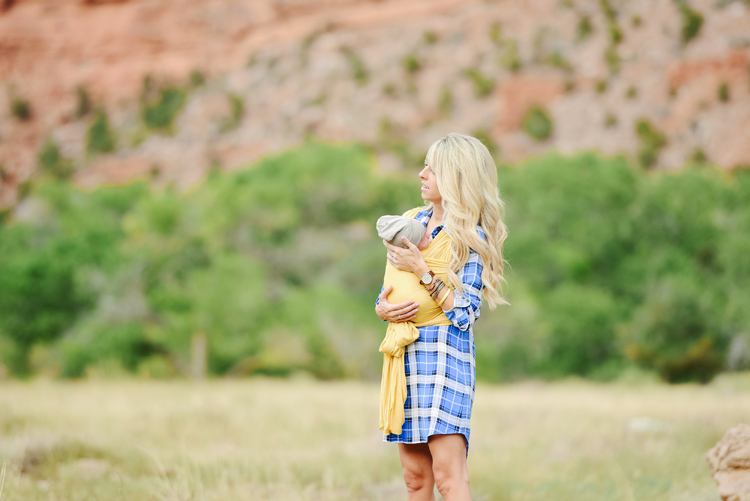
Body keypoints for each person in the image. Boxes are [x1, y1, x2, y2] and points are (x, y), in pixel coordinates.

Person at [375, 133, 508, 501]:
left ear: (455, 177)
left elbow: (465, 314)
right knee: (415, 479)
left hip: (445, 360)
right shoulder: (411, 222)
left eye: (431, 169)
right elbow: (393, 285)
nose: (421, 175)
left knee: (449, 479)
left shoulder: (470, 237)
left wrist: (423, 270)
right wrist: (382, 308)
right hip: (406, 357)